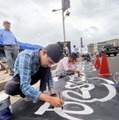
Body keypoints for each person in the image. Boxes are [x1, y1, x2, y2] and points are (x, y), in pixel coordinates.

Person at [4, 42, 64, 107]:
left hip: (32, 77)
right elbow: (25, 86)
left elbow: (49, 77)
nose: (50, 65)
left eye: (52, 63)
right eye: (50, 62)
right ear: (44, 53)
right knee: (10, 87)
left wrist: (53, 95)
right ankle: (24, 94)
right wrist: (49, 99)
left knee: (46, 67)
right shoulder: (26, 56)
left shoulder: (44, 61)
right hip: (20, 79)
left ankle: (42, 91)